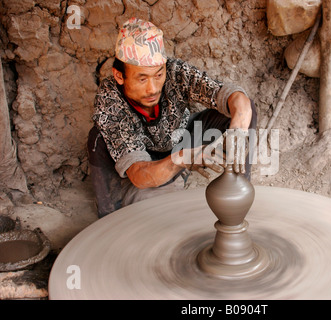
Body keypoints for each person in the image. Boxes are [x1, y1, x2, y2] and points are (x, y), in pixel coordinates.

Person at [87, 18, 257, 218]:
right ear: (119, 76)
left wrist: (237, 131)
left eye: (158, 75)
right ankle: (110, 214)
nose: (153, 88)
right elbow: (139, 174)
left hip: (178, 141)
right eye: (142, 79)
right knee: (96, 138)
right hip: (146, 162)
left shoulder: (176, 72)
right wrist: (182, 159)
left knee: (243, 107)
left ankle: (238, 189)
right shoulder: (110, 99)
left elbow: (235, 98)